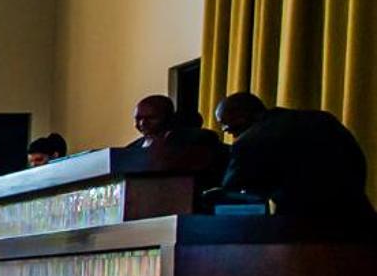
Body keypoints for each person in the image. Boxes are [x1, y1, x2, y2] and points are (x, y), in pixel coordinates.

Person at [212, 91, 375, 223]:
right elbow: (357, 161)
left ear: (240, 116)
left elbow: (231, 194)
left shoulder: (249, 142)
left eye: (226, 126)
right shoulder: (323, 119)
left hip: (304, 233)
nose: (229, 133)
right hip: (360, 221)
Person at [130, 93, 230, 176]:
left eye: (151, 118)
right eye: (138, 119)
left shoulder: (198, 140)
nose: (142, 123)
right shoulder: (131, 149)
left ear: (169, 117)